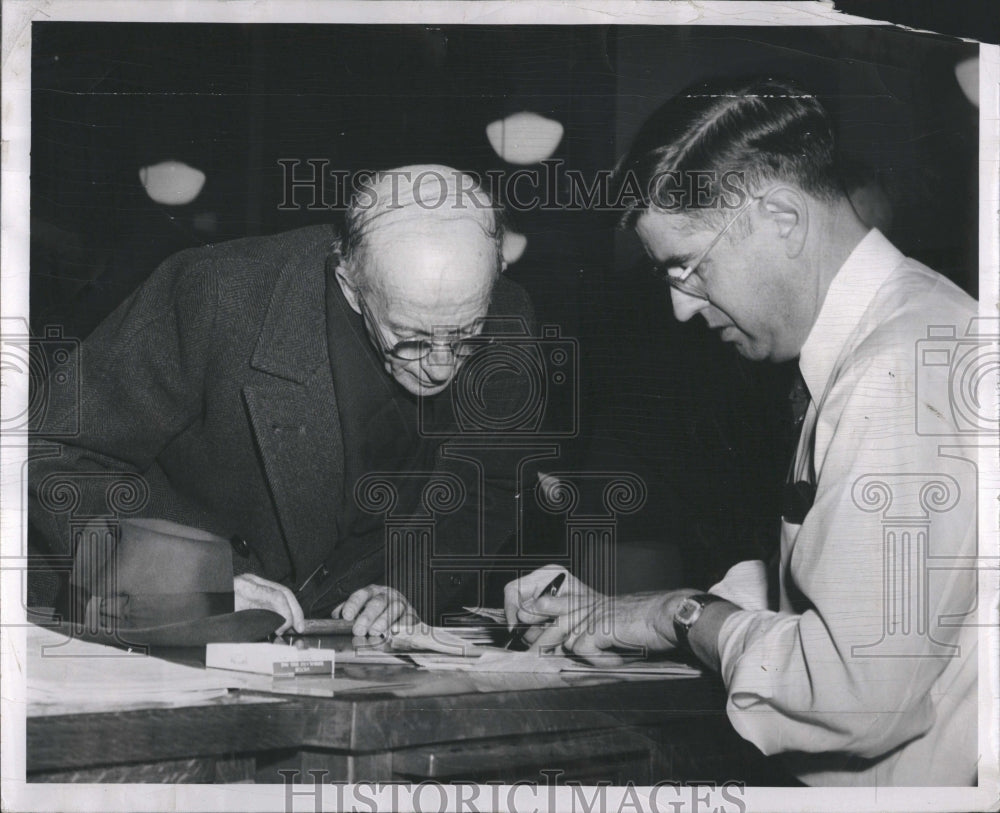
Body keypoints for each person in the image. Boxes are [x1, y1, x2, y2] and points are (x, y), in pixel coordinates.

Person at [504, 78, 980, 786]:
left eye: (687, 267)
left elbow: (855, 692)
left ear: (783, 218)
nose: (679, 308)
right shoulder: (917, 324)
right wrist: (626, 611)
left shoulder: (893, 372)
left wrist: (681, 613)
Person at [29, 165, 534, 637]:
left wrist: (406, 590)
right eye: (411, 338)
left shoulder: (509, 313)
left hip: (324, 645)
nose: (442, 366)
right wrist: (197, 584)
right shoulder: (218, 293)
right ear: (350, 285)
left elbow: (484, 485)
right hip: (138, 617)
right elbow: (52, 454)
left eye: (468, 334)